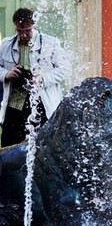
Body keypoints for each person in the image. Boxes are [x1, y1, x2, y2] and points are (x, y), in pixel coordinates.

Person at [0, 8, 69, 147]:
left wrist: (42, 79)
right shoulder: (6, 44)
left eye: (27, 31)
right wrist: (6, 74)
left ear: (34, 25)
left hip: (41, 103)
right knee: (9, 144)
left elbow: (65, 70)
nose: (23, 35)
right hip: (15, 103)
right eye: (19, 31)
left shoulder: (51, 43)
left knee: (43, 146)